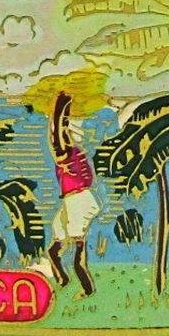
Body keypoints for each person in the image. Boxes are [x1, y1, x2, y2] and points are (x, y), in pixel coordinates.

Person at [47, 92, 98, 294]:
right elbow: (58, 130)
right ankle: (63, 280)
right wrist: (61, 110)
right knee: (54, 248)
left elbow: (57, 130)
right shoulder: (74, 153)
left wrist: (61, 105)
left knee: (78, 245)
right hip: (73, 200)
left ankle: (87, 289)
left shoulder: (66, 154)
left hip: (78, 201)